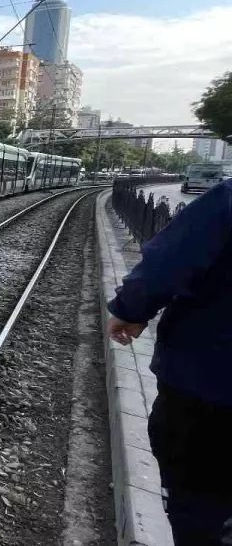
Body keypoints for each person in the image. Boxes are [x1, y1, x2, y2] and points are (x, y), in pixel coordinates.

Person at [106, 178, 232, 545]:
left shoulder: (226, 201)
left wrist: (131, 310)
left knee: (199, 504)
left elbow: (169, 262)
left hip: (209, 385)